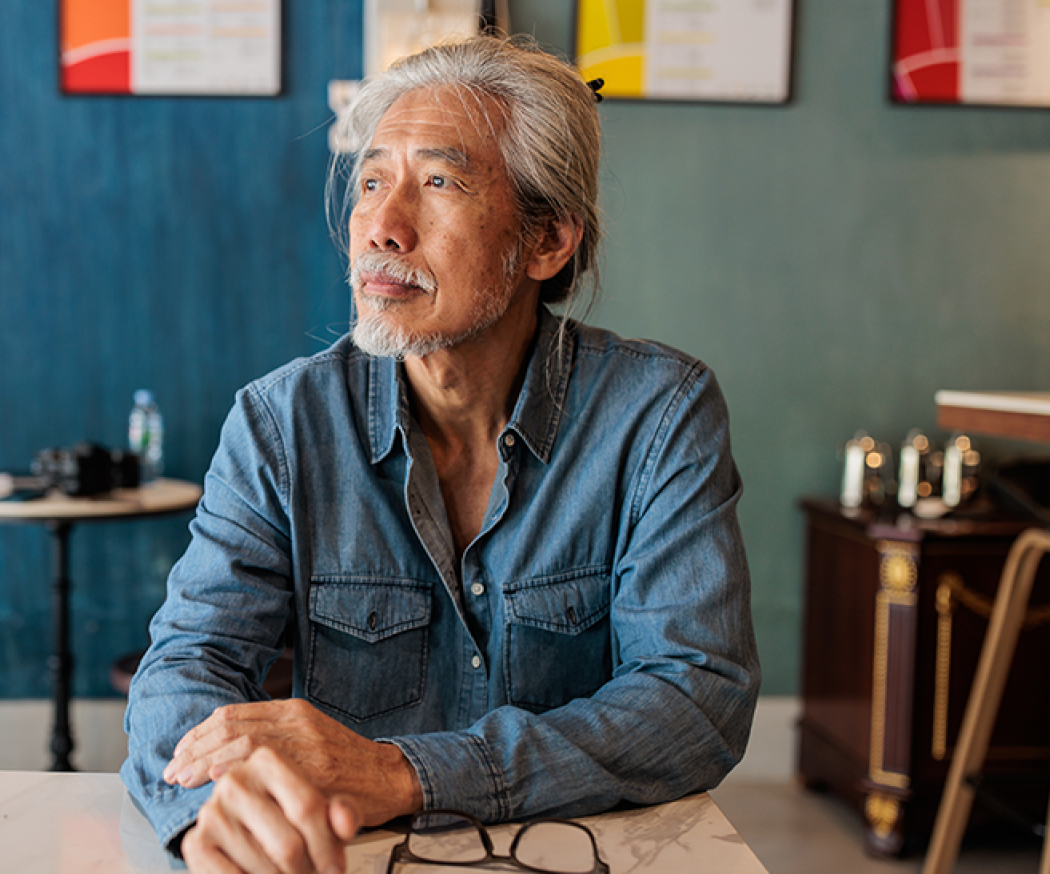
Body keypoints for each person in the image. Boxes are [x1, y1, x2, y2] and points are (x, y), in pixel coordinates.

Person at [120, 33, 760, 874]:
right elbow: (186, 664)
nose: (382, 228)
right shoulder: (281, 423)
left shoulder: (658, 415)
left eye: (440, 183)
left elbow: (693, 699)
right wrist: (214, 811)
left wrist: (404, 773)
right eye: (374, 180)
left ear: (547, 242)